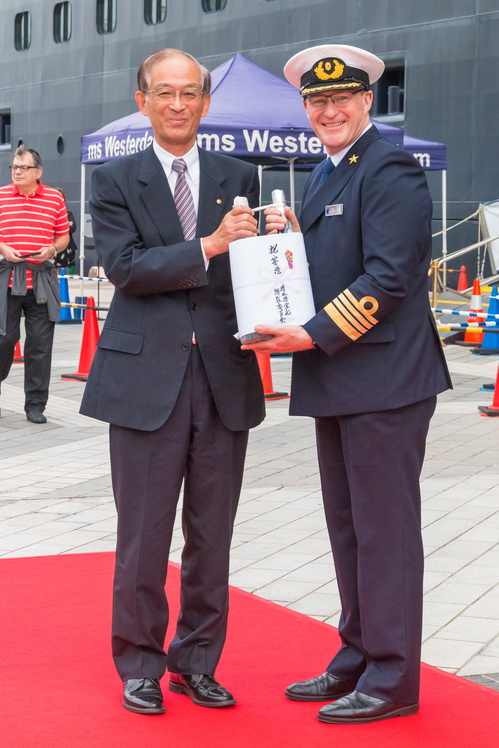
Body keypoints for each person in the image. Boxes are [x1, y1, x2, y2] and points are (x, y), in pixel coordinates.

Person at [242, 45, 451, 724]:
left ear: (366, 101)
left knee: (383, 532)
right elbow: (341, 256)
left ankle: (391, 677)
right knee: (350, 529)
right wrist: (294, 239)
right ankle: (357, 654)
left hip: (384, 379)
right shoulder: (328, 173)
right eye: (315, 102)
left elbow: (390, 277)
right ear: (305, 110)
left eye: (341, 99)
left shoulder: (386, 166)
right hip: (343, 376)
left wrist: (309, 334)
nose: (328, 110)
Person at [80, 48, 264, 716]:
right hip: (143, 380)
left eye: (190, 93)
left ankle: (197, 662)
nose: (179, 104)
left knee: (212, 536)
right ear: (143, 100)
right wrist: (208, 247)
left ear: (206, 103)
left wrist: (281, 254)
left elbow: (254, 275)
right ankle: (139, 664)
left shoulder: (240, 173)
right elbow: (125, 267)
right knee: (144, 537)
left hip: (223, 379)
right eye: (165, 92)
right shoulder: (114, 178)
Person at [0, 146, 69, 424]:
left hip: (40, 280)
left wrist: (52, 249)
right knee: (4, 340)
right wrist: (3, 249)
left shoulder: (54, 198)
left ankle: (36, 405)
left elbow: (62, 236)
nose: (17, 172)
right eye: (14, 167)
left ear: (38, 172)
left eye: (22, 168)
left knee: (39, 345)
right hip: (6, 281)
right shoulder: (1, 196)